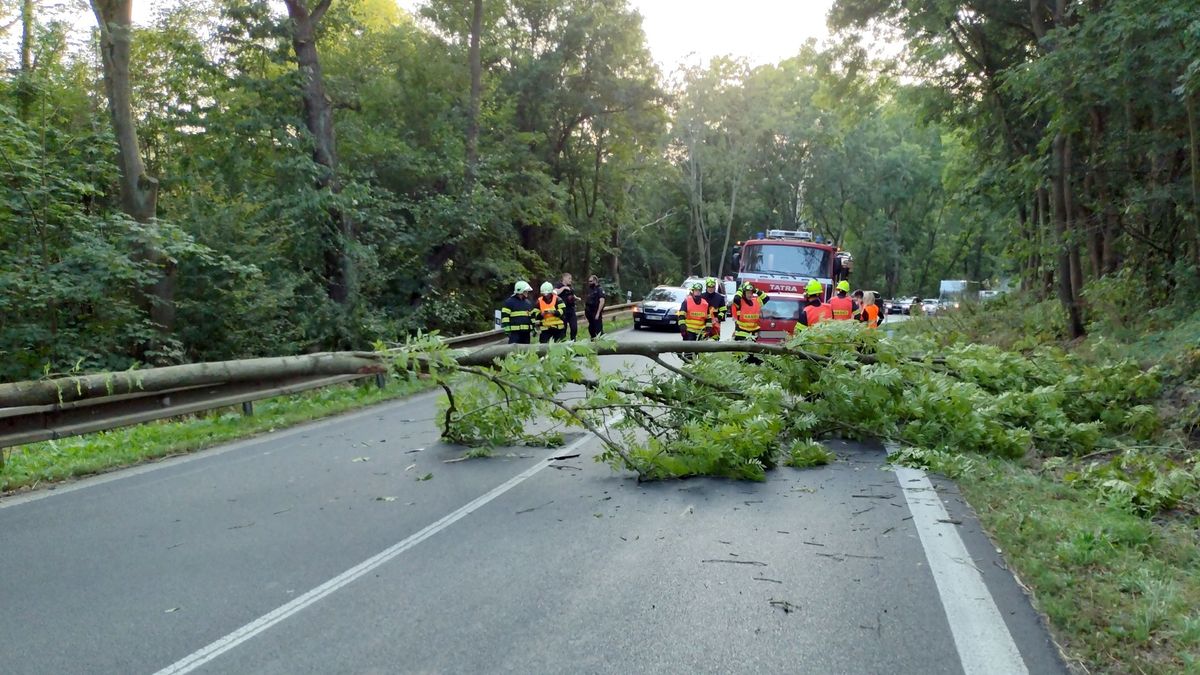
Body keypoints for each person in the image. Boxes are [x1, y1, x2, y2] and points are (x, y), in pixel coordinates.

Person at [677, 282, 713, 350]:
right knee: (689, 352)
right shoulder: (687, 302)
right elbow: (681, 316)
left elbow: (708, 318)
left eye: (699, 291)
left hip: (701, 333)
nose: (698, 292)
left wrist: (708, 330)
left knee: (699, 353)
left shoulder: (705, 303)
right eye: (696, 290)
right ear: (692, 291)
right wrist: (682, 328)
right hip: (689, 332)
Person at [555, 272, 578, 340]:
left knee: (574, 328)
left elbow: (572, 295)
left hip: (571, 310)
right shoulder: (559, 286)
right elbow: (555, 292)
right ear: (564, 278)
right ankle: (563, 343)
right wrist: (564, 288)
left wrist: (576, 298)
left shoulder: (570, 287)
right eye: (569, 278)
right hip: (563, 311)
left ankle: (573, 341)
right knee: (563, 329)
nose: (570, 280)